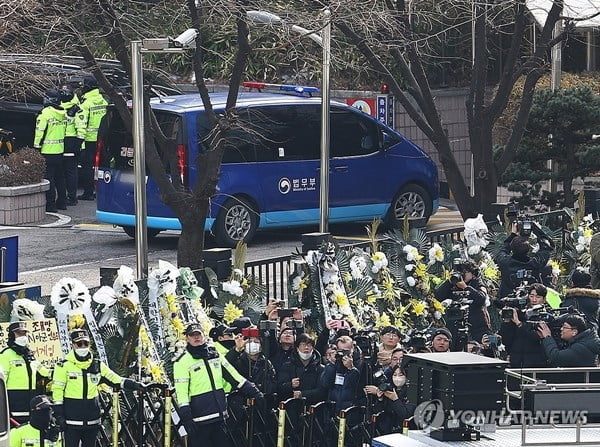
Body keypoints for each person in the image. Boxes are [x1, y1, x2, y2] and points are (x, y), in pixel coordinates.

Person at [174, 323, 263, 446]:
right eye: (192, 335)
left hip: (219, 415)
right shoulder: (182, 361)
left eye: (198, 334)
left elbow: (232, 375)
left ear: (204, 336)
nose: (196, 338)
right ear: (187, 338)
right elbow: (181, 391)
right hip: (199, 419)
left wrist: (253, 390)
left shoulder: (214, 353)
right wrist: (186, 415)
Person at [52, 329, 143, 447]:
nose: (83, 347)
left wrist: (135, 385)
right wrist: (59, 414)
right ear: (73, 345)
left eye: (86, 343)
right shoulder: (63, 366)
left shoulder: (97, 365)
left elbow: (115, 379)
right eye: (79, 344)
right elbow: (57, 391)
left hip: (92, 420)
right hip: (71, 420)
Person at [0, 322, 51, 424]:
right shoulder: (6, 354)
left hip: (31, 401)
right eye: (19, 333)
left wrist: (57, 371)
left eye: (24, 333)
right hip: (13, 402)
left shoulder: (29, 354)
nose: (23, 336)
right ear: (11, 335)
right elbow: (1, 381)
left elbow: (43, 371)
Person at [434, 259, 491, 346]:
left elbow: (481, 299)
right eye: (460, 271)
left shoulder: (477, 283)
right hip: (454, 325)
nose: (462, 274)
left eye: (464, 272)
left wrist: (465, 287)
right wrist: (449, 281)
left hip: (475, 327)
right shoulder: (453, 284)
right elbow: (438, 296)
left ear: (472, 273)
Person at [495, 222, 554, 299]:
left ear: (512, 249)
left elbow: (503, 250)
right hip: (531, 301)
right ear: (528, 250)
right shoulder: (536, 263)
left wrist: (513, 234)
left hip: (508, 302)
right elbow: (546, 246)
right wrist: (535, 228)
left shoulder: (505, 262)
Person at [498, 283, 549, 368]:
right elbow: (506, 340)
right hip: (516, 361)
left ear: (544, 299)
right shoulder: (519, 314)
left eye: (538, 297)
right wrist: (507, 322)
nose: (534, 299)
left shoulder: (545, 316)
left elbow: (536, 337)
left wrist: (519, 324)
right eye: (531, 296)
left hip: (535, 363)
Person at [34, 89, 67, 212]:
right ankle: (62, 202)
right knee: (60, 177)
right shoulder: (62, 112)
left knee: (49, 179)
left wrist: (36, 147)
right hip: (59, 150)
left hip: (47, 151)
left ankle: (51, 205)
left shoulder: (45, 114)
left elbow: (40, 132)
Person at [78, 76, 107, 201]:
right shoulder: (103, 101)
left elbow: (81, 124)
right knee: (102, 166)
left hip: (89, 140)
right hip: (102, 139)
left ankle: (88, 192)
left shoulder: (86, 104)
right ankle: (103, 191)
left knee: (87, 166)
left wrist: (80, 142)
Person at [364, 365, 415, 434]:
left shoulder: (411, 393)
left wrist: (395, 400)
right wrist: (380, 399)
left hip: (401, 431)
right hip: (386, 429)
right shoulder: (389, 389)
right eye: (395, 375)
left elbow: (405, 415)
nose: (397, 378)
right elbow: (377, 410)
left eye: (400, 375)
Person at [277, 333, 326, 405]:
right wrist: (290, 385)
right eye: (303, 345)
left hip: (312, 407)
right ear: (297, 348)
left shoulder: (320, 368)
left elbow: (322, 391)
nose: (306, 348)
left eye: (309, 345)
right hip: (291, 407)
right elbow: (279, 387)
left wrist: (303, 394)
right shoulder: (287, 366)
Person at [225, 328, 276, 394]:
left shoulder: (266, 363)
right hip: (241, 398)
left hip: (261, 398)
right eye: (249, 342)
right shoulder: (238, 360)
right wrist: (237, 349)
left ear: (261, 347)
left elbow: (272, 384)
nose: (252, 344)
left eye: (256, 342)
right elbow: (226, 365)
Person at [58, 84, 84, 206]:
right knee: (61, 172)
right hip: (60, 142)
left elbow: (81, 129)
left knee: (70, 172)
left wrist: (77, 146)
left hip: (71, 142)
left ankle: (72, 197)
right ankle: (63, 198)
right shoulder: (58, 107)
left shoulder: (77, 108)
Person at [320, 335, 360, 412]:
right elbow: (325, 384)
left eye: (346, 351)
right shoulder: (332, 365)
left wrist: (351, 368)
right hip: (333, 408)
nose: (343, 354)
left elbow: (358, 386)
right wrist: (332, 364)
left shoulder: (360, 364)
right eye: (341, 351)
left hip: (351, 409)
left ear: (352, 349)